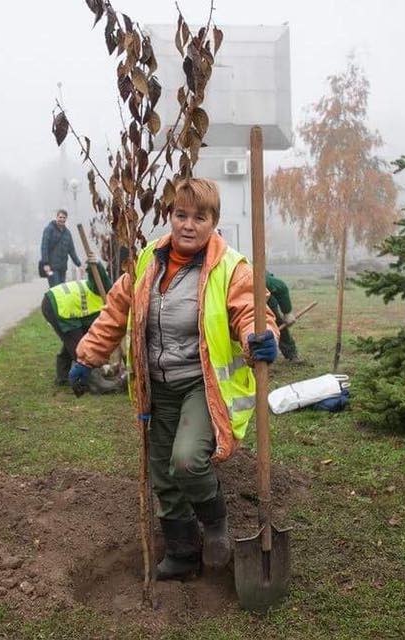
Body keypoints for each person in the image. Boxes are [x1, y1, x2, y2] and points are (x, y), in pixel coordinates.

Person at [70, 178, 279, 579]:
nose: (188, 225)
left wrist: (261, 339)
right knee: (163, 476)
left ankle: (216, 525)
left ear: (213, 221)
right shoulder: (148, 258)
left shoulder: (231, 268)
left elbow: (250, 311)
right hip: (157, 387)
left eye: (199, 217)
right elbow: (117, 309)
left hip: (201, 386)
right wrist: (87, 356)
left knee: (186, 462)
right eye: (180, 214)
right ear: (170, 216)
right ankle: (183, 554)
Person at [41, 259, 123, 393]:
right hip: (60, 306)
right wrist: (96, 264)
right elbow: (98, 277)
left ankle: (62, 377)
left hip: (55, 302)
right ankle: (95, 383)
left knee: (73, 341)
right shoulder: (108, 295)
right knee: (79, 346)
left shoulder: (110, 296)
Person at [265, 270, 301, 362]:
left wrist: (287, 313)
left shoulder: (258, 278)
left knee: (277, 323)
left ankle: (291, 353)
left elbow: (281, 287)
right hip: (245, 303)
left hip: (268, 300)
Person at [40, 209, 81, 287]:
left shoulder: (67, 233)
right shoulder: (49, 230)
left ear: (66, 219)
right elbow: (44, 247)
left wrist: (78, 264)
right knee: (55, 288)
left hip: (63, 268)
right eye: (60, 217)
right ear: (56, 217)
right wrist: (45, 263)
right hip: (51, 267)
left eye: (64, 218)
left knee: (62, 290)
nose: (62, 219)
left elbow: (71, 250)